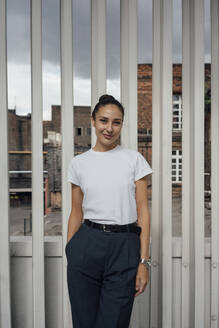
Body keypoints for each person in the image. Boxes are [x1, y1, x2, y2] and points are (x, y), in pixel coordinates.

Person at [65, 94, 153, 328]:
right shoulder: (79, 163)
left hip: (124, 245)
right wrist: (71, 251)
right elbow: (76, 212)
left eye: (116, 122)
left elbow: (143, 210)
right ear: (93, 121)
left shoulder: (134, 160)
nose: (109, 128)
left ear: (122, 125)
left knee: (114, 322)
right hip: (86, 245)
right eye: (104, 121)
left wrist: (143, 261)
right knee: (84, 322)